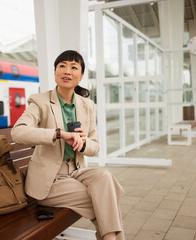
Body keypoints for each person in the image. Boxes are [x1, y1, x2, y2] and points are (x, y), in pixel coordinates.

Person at [11, 50, 124, 240]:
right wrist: (57, 134)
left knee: (105, 178)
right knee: (106, 198)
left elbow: (95, 147)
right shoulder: (40, 102)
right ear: (55, 71)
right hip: (49, 181)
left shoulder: (87, 105)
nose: (67, 71)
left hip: (76, 171)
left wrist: (84, 141)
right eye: (62, 66)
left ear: (81, 75)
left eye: (74, 67)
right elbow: (18, 132)